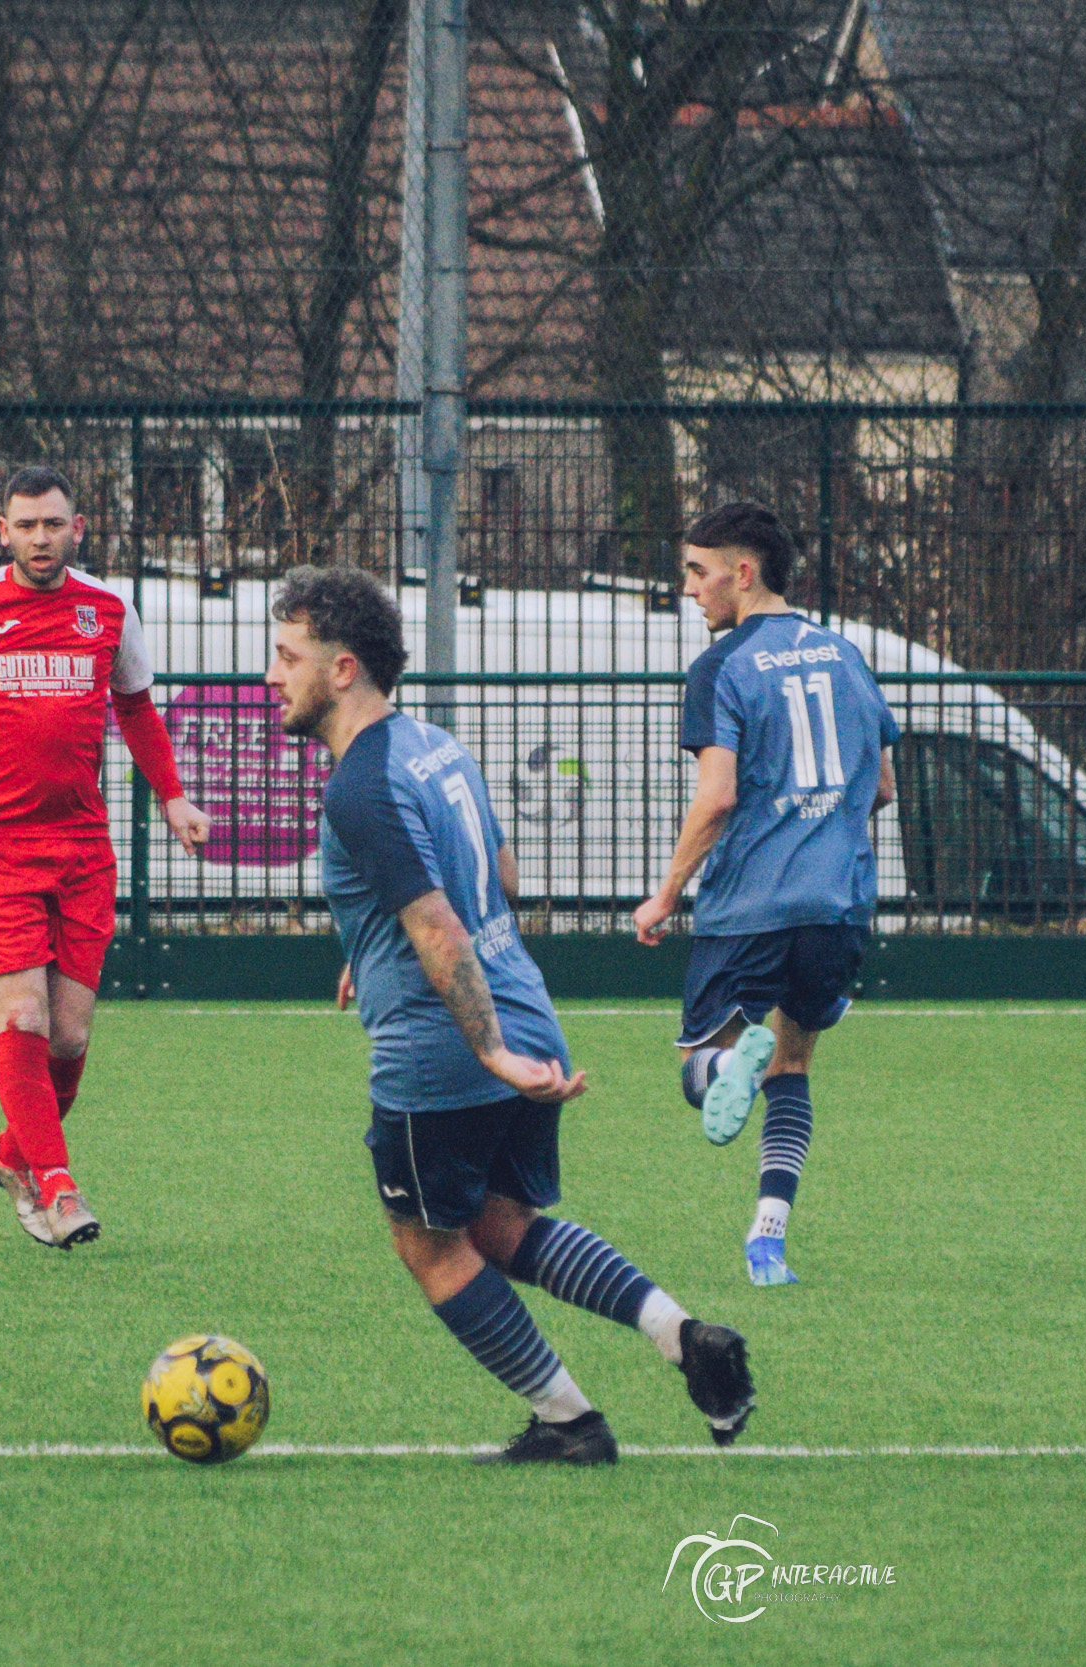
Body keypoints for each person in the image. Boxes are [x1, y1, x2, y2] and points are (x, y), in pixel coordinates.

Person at [266, 563, 756, 1464]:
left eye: (288, 657)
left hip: (449, 1051)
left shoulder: (357, 786)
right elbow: (497, 877)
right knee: (501, 1226)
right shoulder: (433, 744)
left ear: (342, 670)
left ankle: (571, 1422)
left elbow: (435, 918)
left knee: (430, 1245)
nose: (272, 677)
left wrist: (486, 1050)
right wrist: (370, 951)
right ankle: (683, 1336)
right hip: (529, 1007)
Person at [0, 466, 210, 1249]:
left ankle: (10, 1153)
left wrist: (170, 795)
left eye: (53, 524)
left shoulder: (109, 610)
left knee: (67, 1040)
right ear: (2, 531)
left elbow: (135, 706)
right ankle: (59, 1189)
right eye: (25, 525)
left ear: (78, 527)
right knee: (22, 1017)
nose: (40, 538)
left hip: (79, 851)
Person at [633, 501, 898, 1287]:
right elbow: (881, 785)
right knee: (792, 1067)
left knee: (698, 1067)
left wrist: (665, 893)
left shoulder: (721, 666)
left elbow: (715, 797)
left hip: (748, 904)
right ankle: (768, 1239)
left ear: (741, 573)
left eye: (696, 570)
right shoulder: (848, 655)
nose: (688, 588)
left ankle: (724, 1072)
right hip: (836, 906)